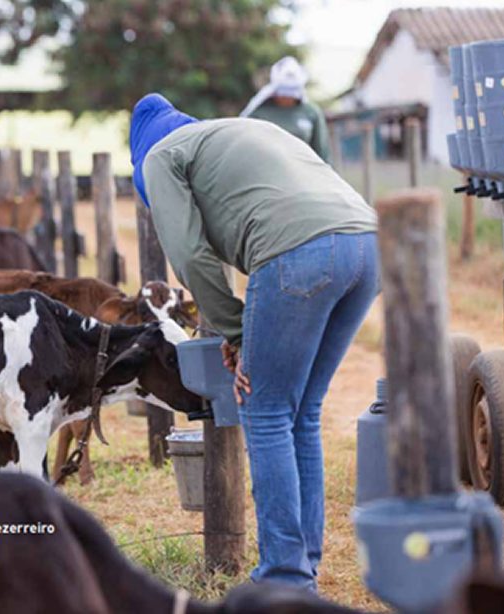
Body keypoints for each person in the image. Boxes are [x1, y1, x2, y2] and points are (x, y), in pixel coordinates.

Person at [130, 93, 378, 590]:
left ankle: (284, 578)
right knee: (302, 411)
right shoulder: (241, 132)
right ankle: (303, 561)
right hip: (369, 245)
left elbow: (190, 256)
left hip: (298, 251)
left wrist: (236, 330)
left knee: (264, 412)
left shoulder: (158, 156)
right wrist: (246, 330)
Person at [241, 56, 331, 163]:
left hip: (303, 171)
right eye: (283, 93)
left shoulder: (311, 113)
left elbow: (322, 152)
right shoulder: (259, 114)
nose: (287, 97)